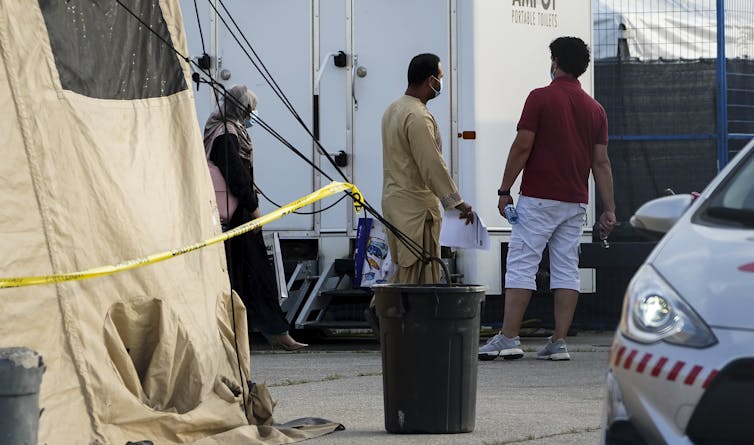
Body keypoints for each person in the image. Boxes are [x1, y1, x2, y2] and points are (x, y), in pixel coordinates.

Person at [478, 37, 616, 361]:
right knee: (566, 269)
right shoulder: (596, 110)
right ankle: (558, 342)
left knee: (522, 264)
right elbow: (601, 162)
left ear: (555, 61)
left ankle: (509, 338)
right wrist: (608, 208)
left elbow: (522, 146)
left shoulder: (540, 98)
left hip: (539, 197)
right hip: (575, 201)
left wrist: (504, 189)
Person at [204, 84, 306, 351]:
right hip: (236, 217)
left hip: (237, 216)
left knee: (250, 275)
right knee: (252, 274)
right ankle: (271, 333)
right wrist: (254, 208)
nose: (253, 116)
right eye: (251, 110)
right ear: (242, 109)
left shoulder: (228, 131)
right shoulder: (225, 135)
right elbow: (236, 177)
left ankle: (273, 331)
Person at [380, 53, 474, 284]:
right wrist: (456, 202)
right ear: (430, 80)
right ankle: (391, 317)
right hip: (417, 211)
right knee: (418, 279)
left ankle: (385, 316)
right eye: (440, 78)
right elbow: (431, 164)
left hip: (394, 204)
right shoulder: (418, 116)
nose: (441, 84)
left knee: (401, 272)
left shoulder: (393, 109)